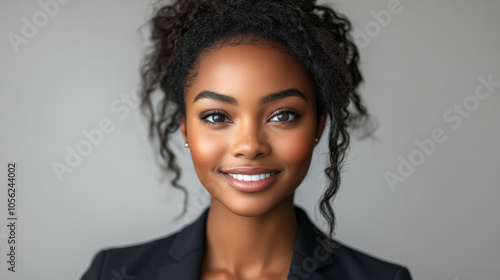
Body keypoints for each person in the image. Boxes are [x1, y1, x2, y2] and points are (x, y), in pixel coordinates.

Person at [81, 0, 413, 279]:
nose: (250, 145)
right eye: (216, 117)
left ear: (318, 125)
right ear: (185, 128)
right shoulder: (112, 272)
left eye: (283, 115)